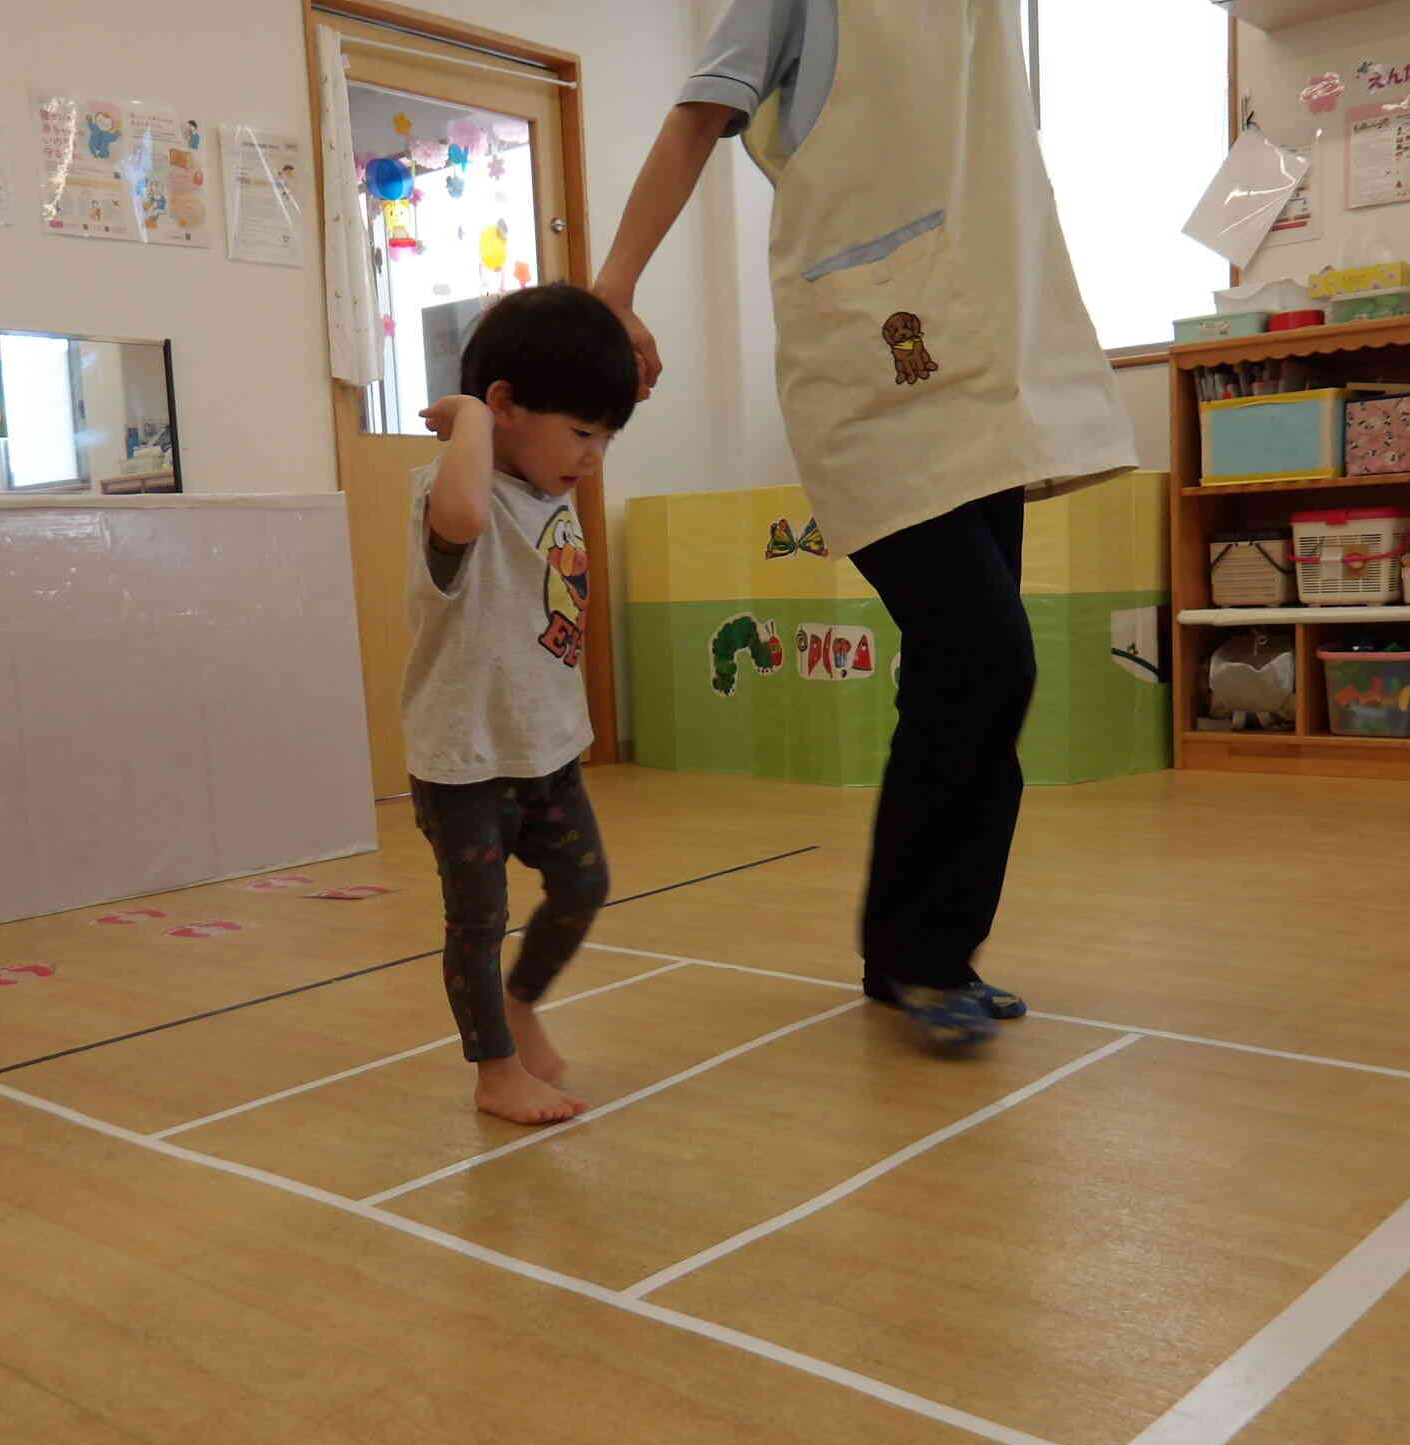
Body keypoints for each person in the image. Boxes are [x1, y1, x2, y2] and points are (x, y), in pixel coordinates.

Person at [592, 0, 1136, 1048]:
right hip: (873, 365)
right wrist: (612, 286)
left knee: (957, 673)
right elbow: (695, 116)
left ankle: (921, 958)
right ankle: (916, 955)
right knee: (985, 656)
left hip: (986, 363)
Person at [404, 283, 638, 1124]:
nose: (594, 455)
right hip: (466, 762)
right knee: (478, 919)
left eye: (605, 436)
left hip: (546, 752)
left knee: (583, 884)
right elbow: (463, 516)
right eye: (582, 433)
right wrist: (469, 417)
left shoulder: (553, 491)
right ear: (505, 407)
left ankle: (521, 1001)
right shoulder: (448, 489)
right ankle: (493, 1070)